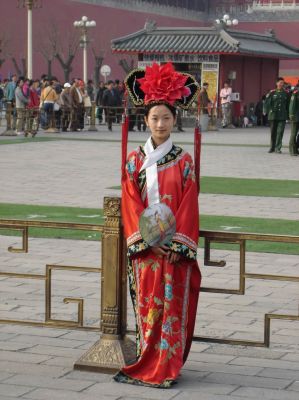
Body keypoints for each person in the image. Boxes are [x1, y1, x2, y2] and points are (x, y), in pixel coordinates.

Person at [114, 62, 201, 388]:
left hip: (173, 250)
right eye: (154, 118)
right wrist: (149, 239)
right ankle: (148, 360)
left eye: (166, 118)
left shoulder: (184, 160)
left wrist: (178, 243)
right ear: (145, 120)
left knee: (172, 304)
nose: (160, 123)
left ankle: (168, 364)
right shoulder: (135, 160)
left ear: (175, 120)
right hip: (147, 250)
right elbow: (130, 202)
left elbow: (189, 204)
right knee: (150, 306)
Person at [263, 77, 290, 153]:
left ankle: (278, 148)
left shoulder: (286, 93)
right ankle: (272, 147)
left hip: (282, 116)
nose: (281, 84)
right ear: (277, 83)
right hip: (273, 115)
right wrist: (266, 110)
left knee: (280, 132)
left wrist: (289, 115)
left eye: (283, 83)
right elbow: (266, 103)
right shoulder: (272, 93)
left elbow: (288, 105)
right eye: (280, 82)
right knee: (273, 132)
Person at [289, 87, 299, 156]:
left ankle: (296, 149)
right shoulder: (295, 94)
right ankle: (292, 150)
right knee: (294, 134)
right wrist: (291, 114)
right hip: (295, 117)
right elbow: (292, 105)